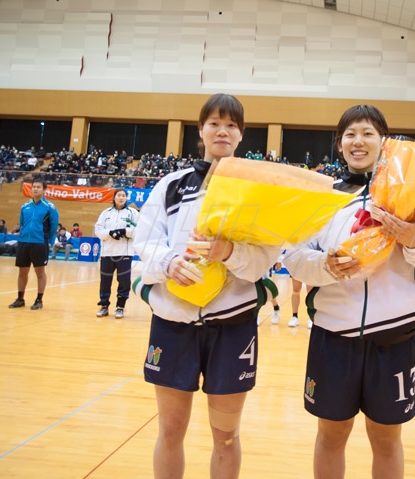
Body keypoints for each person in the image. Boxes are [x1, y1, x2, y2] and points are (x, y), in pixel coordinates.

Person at [283, 105, 415, 479]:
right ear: (339, 144)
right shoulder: (320, 198)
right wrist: (326, 266)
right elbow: (293, 257)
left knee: (387, 439)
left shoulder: (410, 198)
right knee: (331, 434)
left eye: (368, 133)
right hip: (333, 337)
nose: (359, 141)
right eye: (351, 134)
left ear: (384, 142)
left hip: (394, 338)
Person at [133, 93, 280, 479]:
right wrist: (169, 263)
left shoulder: (258, 190)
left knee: (226, 437)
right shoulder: (171, 185)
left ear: (241, 134)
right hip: (173, 324)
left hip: (233, 328)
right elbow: (146, 241)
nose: (222, 131)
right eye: (214, 123)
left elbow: (265, 259)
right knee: (170, 430)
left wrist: (229, 252)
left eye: (231, 125)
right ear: (201, 130)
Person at [8, 178, 58, 310]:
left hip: (40, 243)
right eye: (34, 186)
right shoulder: (25, 207)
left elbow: (53, 226)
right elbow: (22, 223)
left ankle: (39, 300)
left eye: (38, 187)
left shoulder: (50, 207)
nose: (35, 189)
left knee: (40, 272)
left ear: (44, 189)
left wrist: (48, 240)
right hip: (24, 242)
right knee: (22, 271)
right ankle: (20, 299)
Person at [94, 189, 139, 319]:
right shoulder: (106, 213)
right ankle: (104, 306)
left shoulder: (133, 213)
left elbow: (139, 230)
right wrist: (110, 233)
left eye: (123, 196)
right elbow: (98, 230)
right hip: (107, 252)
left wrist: (124, 231)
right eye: (119, 195)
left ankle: (120, 306)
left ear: (126, 198)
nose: (121, 198)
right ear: (114, 198)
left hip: (125, 252)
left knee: (124, 281)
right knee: (105, 280)